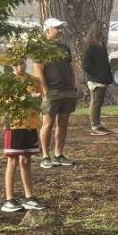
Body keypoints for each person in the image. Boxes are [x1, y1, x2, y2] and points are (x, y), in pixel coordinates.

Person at [1, 62, 45, 213]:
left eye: (22, 63)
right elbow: (1, 102)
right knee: (12, 160)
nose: (20, 67)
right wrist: (21, 99)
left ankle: (29, 197)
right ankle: (9, 199)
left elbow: (41, 97)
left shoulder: (34, 80)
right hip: (14, 125)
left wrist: (36, 98)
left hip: (30, 124)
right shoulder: (6, 82)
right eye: (16, 64)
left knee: (26, 160)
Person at [35, 18, 78, 168]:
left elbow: (70, 68)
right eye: (57, 28)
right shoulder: (41, 49)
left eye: (60, 28)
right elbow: (39, 72)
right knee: (48, 124)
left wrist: (73, 86)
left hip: (67, 91)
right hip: (52, 91)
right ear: (47, 30)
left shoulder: (65, 48)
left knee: (63, 123)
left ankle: (58, 154)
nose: (60, 31)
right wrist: (45, 91)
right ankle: (45, 156)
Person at [82, 34, 113, 136]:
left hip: (103, 79)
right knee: (95, 102)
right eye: (101, 30)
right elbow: (85, 65)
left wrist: (107, 77)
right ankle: (94, 125)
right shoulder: (90, 46)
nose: (103, 32)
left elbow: (105, 63)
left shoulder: (102, 45)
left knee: (99, 102)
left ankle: (98, 124)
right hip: (95, 79)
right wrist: (94, 76)